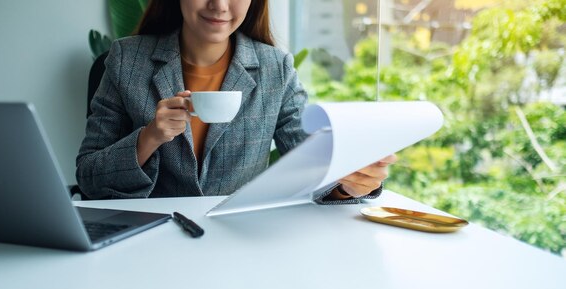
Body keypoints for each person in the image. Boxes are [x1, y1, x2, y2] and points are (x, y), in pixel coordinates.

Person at [76, 0, 397, 203]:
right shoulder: (127, 60)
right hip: (146, 240)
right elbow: (89, 179)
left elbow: (310, 164)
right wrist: (150, 138)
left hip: (236, 239)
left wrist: (348, 185)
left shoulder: (275, 68)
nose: (219, 5)